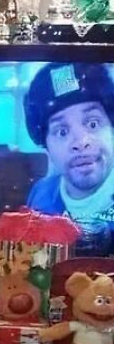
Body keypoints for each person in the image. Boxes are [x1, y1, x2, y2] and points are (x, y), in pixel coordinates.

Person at [24, 62, 114, 243]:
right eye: (62, 132)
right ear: (46, 147)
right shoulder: (41, 194)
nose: (81, 143)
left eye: (93, 124)